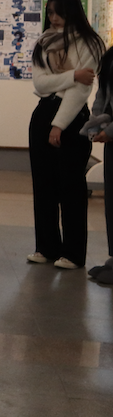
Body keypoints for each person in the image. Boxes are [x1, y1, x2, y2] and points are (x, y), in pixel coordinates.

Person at [27, 0, 103, 269]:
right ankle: (46, 247)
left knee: (71, 186)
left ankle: (73, 252)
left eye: (59, 12)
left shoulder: (89, 42)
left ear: (72, 12)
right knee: (43, 184)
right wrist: (72, 75)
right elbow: (40, 84)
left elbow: (82, 90)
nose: (54, 18)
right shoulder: (44, 42)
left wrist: (58, 125)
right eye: (50, 13)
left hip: (72, 118)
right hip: (43, 113)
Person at [84, 46, 113, 285]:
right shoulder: (111, 57)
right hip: (111, 141)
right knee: (111, 201)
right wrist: (96, 125)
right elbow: (102, 95)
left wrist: (110, 131)